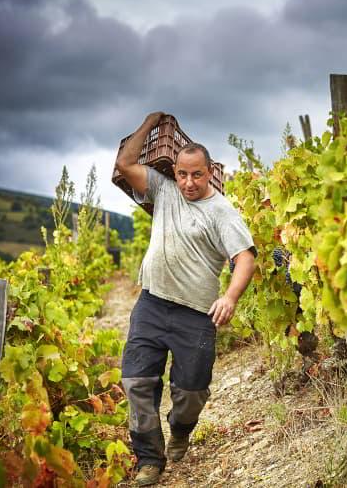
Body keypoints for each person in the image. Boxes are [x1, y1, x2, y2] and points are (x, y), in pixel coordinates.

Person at [115, 112, 256, 486]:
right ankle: (149, 460)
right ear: (174, 171)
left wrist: (230, 297)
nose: (188, 182)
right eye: (182, 174)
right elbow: (125, 163)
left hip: (195, 314)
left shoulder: (222, 211)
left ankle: (180, 429)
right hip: (152, 304)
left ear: (210, 172)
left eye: (197, 174)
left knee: (191, 391)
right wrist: (149, 123)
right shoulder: (163, 190)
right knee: (137, 383)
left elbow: (245, 258)